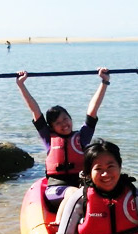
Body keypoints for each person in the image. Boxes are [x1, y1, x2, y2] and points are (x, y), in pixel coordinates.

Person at [16, 68, 110, 223]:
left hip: (80, 188)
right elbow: (34, 109)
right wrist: (21, 85)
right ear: (52, 127)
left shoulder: (82, 137)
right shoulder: (48, 138)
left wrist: (104, 82)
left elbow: (93, 109)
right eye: (58, 123)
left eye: (66, 119)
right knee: (73, 192)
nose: (64, 124)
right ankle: (59, 225)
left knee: (86, 194)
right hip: (56, 190)